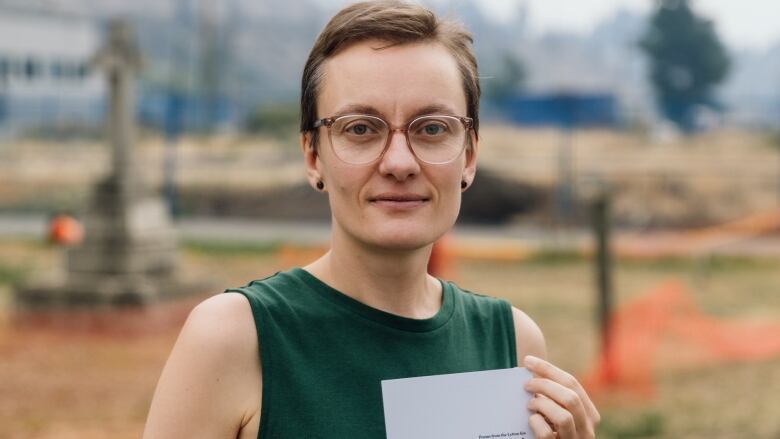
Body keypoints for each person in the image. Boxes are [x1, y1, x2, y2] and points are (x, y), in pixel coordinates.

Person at [142, 1, 600, 438]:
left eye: (432, 128)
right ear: (312, 155)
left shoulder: (513, 344)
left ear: (470, 155)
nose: (399, 162)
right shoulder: (234, 339)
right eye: (360, 128)